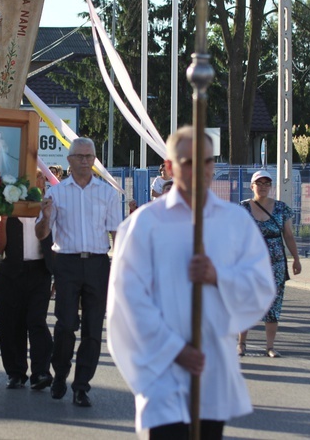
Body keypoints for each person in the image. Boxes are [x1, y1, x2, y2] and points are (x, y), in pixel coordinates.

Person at [107, 127, 276, 438]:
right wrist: (174, 349)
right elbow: (128, 300)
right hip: (162, 370)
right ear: (170, 167)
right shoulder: (143, 225)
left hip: (210, 370)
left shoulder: (234, 221)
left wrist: (218, 277)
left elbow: (260, 284)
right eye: (189, 161)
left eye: (208, 161)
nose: (201, 169)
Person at [35, 137, 122, 407]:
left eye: (89, 156)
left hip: (97, 263)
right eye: (80, 156)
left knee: (93, 329)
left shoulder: (107, 193)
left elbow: (116, 233)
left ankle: (82, 385)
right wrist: (46, 216)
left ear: (95, 160)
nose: (85, 161)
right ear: (69, 160)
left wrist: (118, 269)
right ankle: (60, 373)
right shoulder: (56, 194)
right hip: (67, 263)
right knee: (65, 324)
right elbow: (42, 233)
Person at [0, 169, 54, 391]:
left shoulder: (48, 207)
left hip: (39, 271)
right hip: (9, 271)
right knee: (10, 324)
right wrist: (4, 220)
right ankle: (15, 373)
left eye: (41, 180)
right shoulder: (6, 205)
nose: (38, 184)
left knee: (37, 321)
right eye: (33, 180)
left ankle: (41, 372)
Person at [237, 169, 302, 358]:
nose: (263, 187)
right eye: (259, 183)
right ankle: (241, 343)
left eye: (267, 184)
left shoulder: (281, 208)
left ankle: (270, 346)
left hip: (276, 264)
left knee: (274, 304)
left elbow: (288, 235)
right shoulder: (243, 208)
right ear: (252, 186)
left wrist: (296, 259)